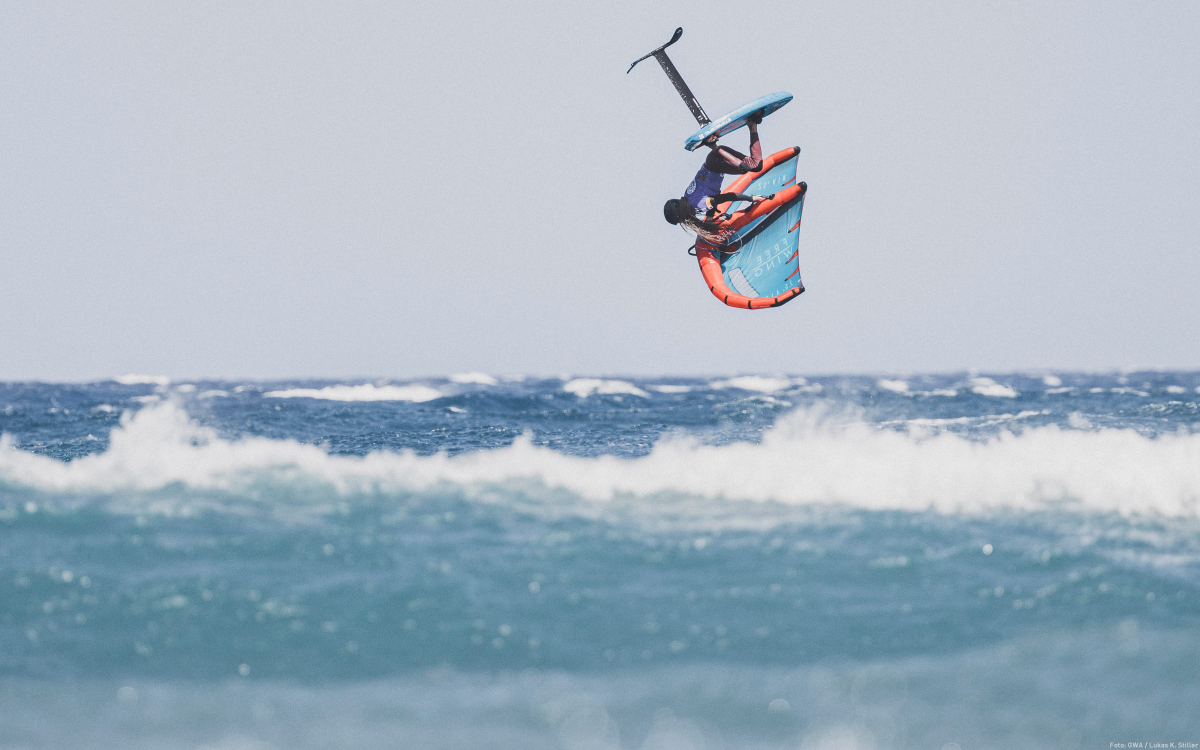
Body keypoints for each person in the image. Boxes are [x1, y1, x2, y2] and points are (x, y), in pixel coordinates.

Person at [662, 111, 774, 245]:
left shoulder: (698, 203)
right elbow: (711, 205)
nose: (685, 221)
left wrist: (750, 198)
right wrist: (709, 225)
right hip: (716, 163)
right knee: (756, 165)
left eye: (682, 219)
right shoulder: (691, 199)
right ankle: (752, 124)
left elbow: (727, 197)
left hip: (717, 160)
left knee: (745, 168)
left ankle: (713, 146)